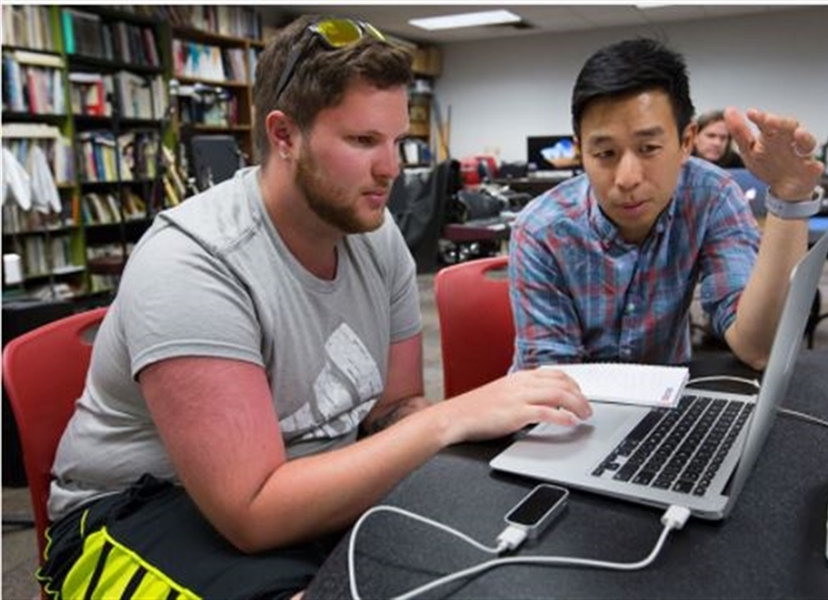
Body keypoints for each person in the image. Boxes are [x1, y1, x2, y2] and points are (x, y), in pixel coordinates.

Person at [39, 14, 592, 599]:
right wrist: (450, 419)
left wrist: (482, 454)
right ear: (284, 136)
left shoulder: (376, 237)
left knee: (487, 559)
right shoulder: (194, 264)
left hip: (301, 488)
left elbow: (394, 409)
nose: (392, 168)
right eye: (362, 141)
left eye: (396, 141)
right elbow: (252, 514)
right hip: (140, 511)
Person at [509, 38, 824, 372]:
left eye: (649, 148)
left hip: (666, 401)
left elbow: (757, 348)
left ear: (686, 141)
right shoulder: (542, 230)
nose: (627, 178)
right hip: (572, 407)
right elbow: (550, 382)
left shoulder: (711, 197)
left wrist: (788, 196)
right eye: (605, 154)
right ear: (580, 151)